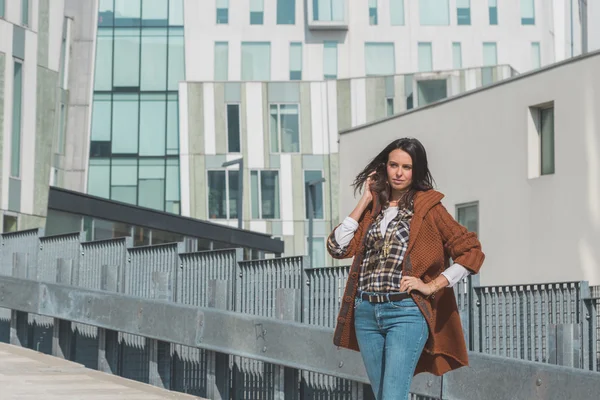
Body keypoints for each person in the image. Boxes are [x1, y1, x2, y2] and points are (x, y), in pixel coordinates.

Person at [326, 138, 484, 400]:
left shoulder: (429, 207)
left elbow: (472, 251)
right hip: (366, 312)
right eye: (393, 165)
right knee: (383, 395)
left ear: (416, 171)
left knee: (392, 397)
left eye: (407, 167)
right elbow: (337, 247)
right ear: (384, 168)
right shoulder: (373, 210)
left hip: (406, 313)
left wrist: (431, 285)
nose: (399, 173)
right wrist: (366, 198)